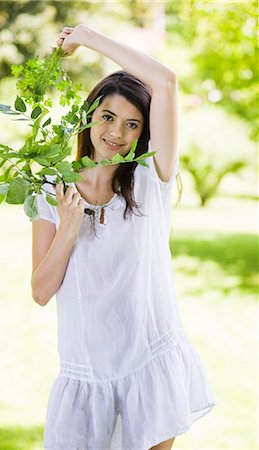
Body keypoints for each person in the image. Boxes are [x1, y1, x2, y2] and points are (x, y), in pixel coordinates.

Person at [31, 24, 216, 450]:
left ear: (144, 133)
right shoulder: (50, 189)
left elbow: (166, 80)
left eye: (133, 124)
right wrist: (68, 229)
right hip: (86, 374)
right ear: (88, 117)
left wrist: (86, 37)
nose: (116, 133)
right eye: (108, 117)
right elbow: (41, 291)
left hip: (149, 364)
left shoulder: (153, 177)